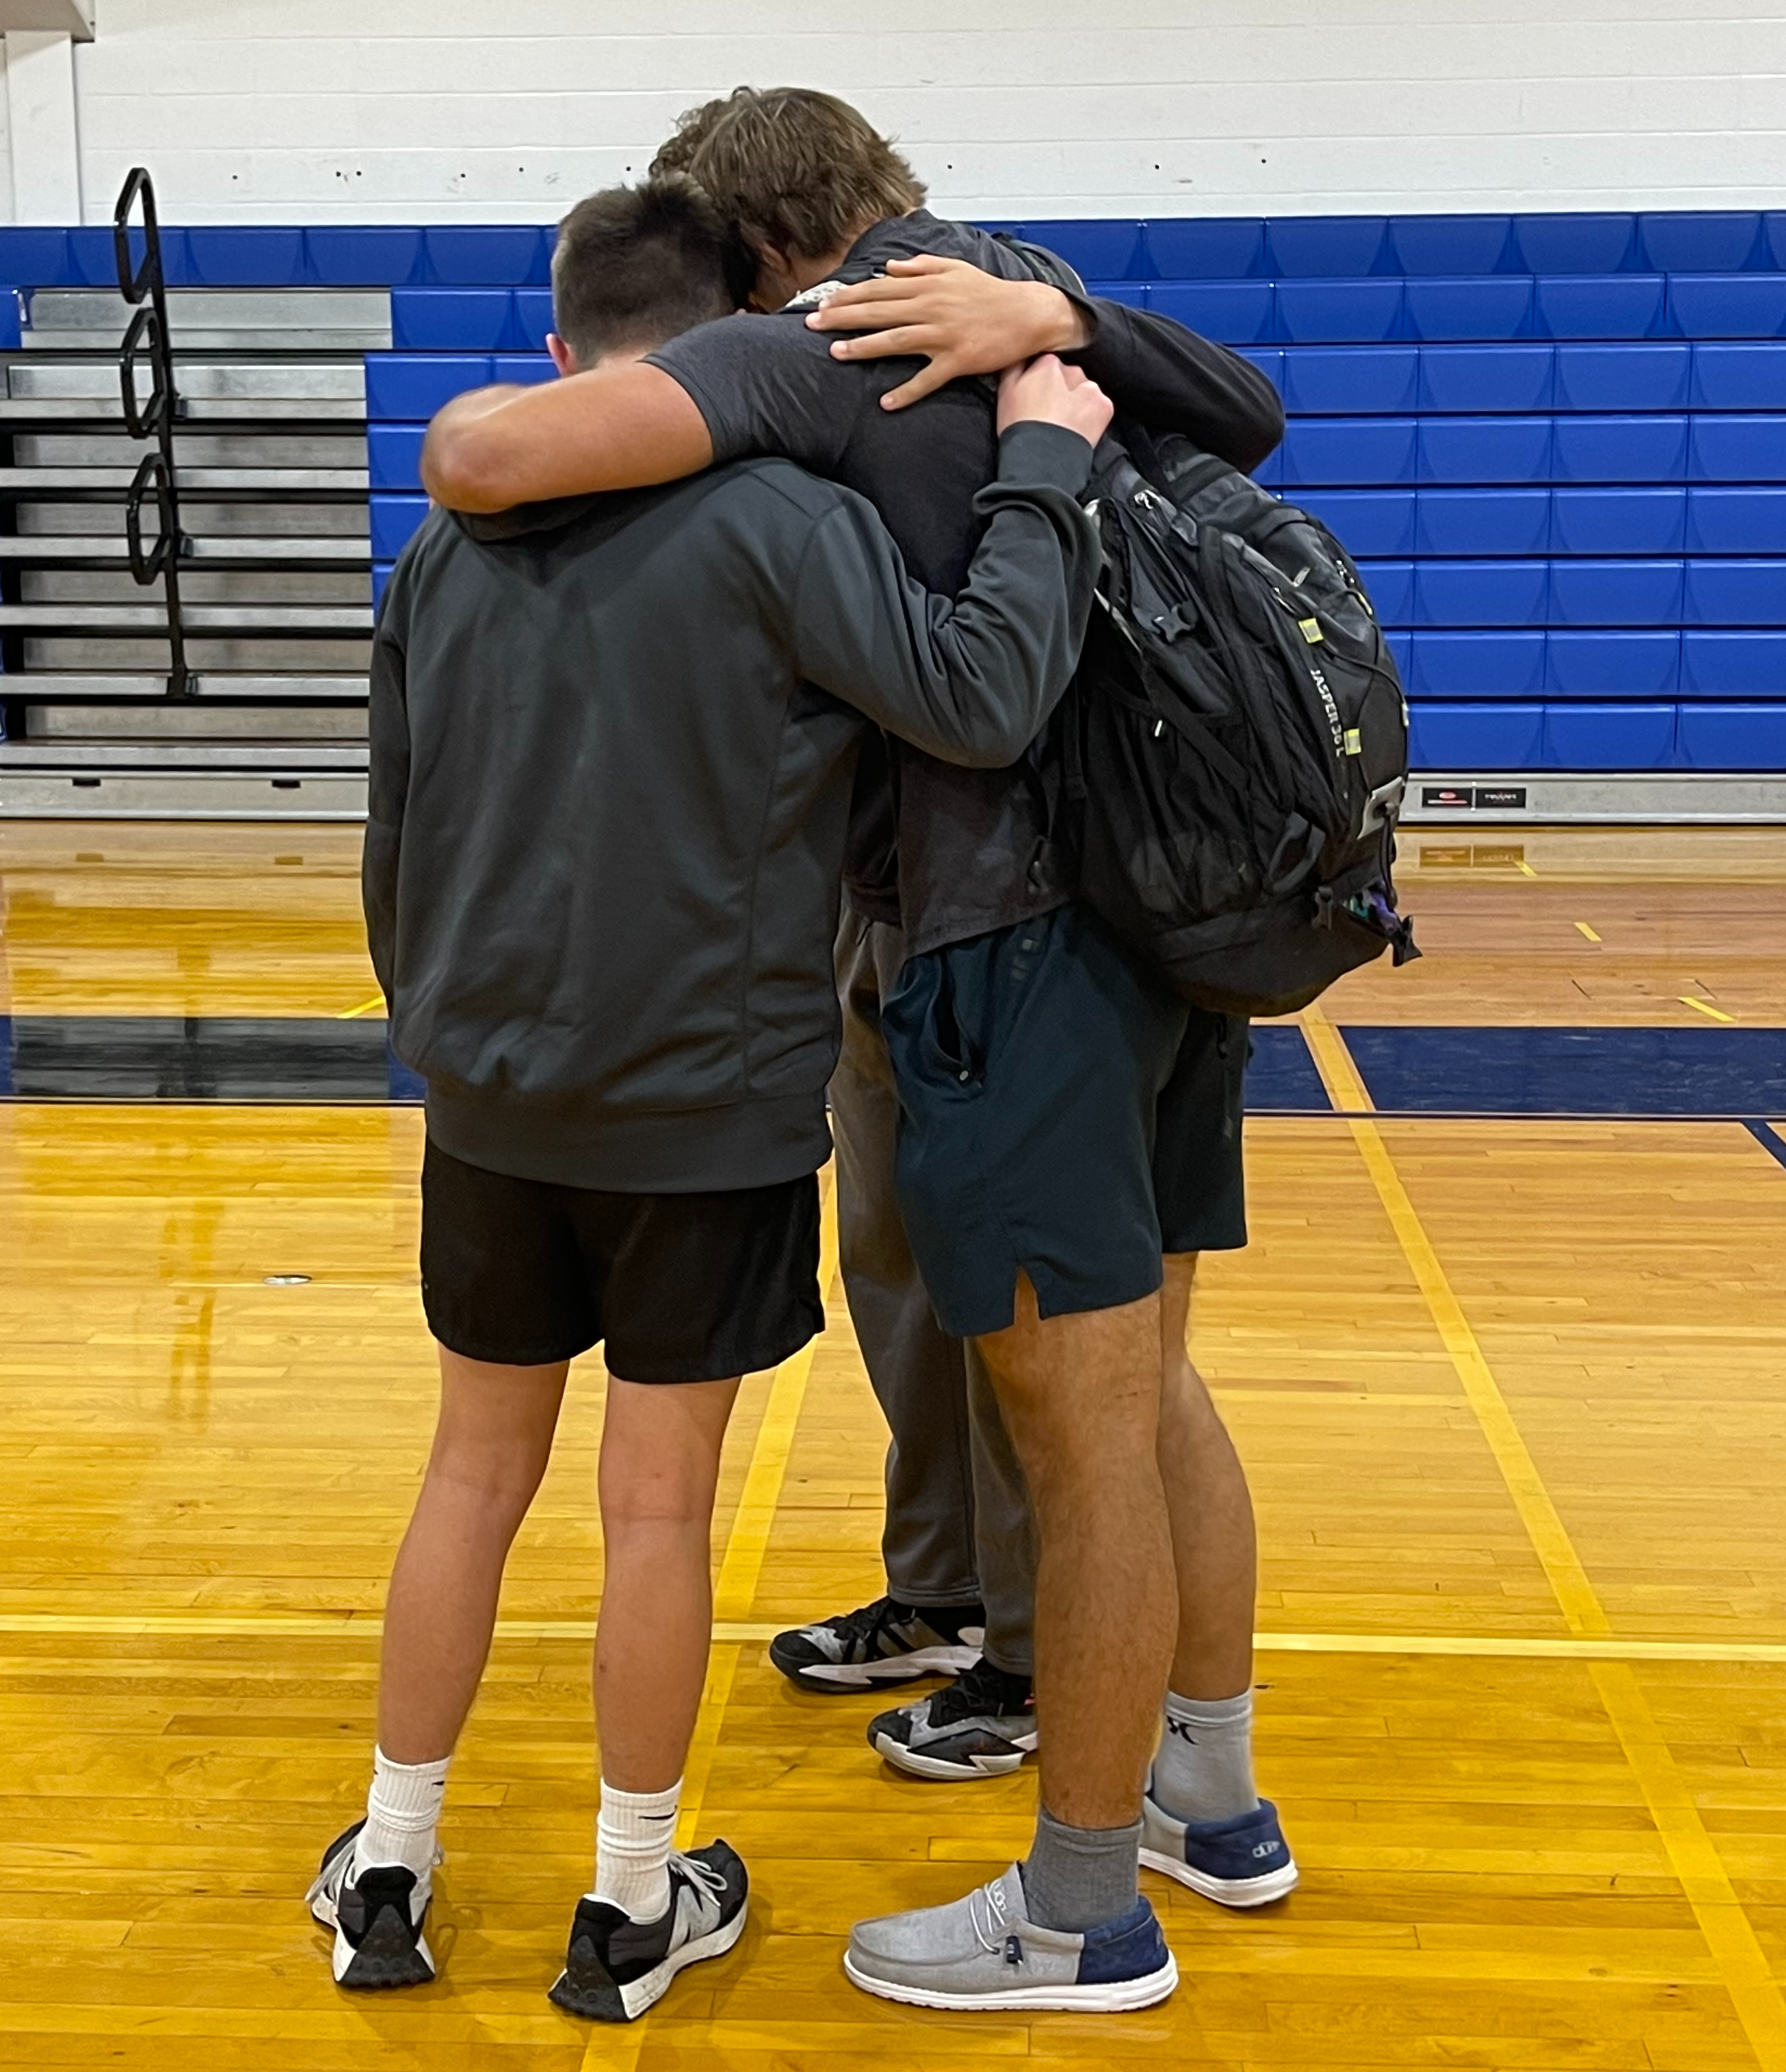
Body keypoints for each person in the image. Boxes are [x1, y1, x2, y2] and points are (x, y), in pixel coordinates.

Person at [419, 88, 1296, 2013]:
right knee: (1151, 1396)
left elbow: (483, 453)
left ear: (749, 254)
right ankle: (1210, 1800)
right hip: (1181, 922)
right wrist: (1057, 331)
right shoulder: (1021, 289)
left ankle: (1082, 1913)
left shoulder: (807, 346)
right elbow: (1251, 404)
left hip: (1016, 947)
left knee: (1071, 1438)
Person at [318, 172, 1110, 2024]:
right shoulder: (777, 515)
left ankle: (391, 1860)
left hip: (495, 1103)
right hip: (711, 1110)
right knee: (655, 1510)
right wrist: (1045, 476)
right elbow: (984, 699)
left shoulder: (444, 550)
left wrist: (449, 1027)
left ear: (558, 349)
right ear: (749, 345)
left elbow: (391, 841)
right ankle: (623, 1898)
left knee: (465, 1475)